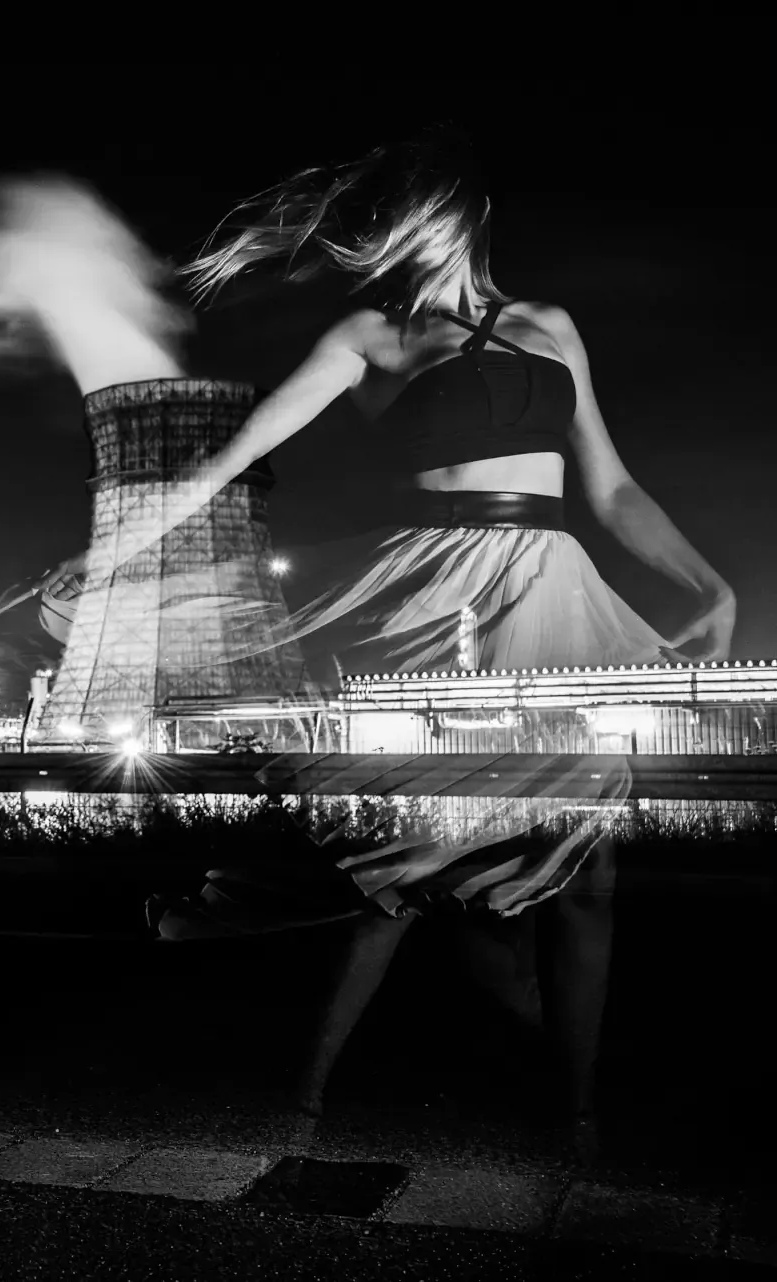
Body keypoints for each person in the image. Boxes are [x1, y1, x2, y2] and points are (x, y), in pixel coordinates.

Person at [145, 128, 735, 1152]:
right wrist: (123, 541)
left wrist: (705, 581)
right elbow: (237, 453)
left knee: (585, 868)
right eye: (378, 227)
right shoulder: (369, 337)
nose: (387, 242)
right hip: (433, 607)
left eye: (402, 221)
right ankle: (306, 1100)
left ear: (455, 217)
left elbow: (612, 485)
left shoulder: (550, 324)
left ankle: (582, 1108)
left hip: (552, 597)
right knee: (401, 866)